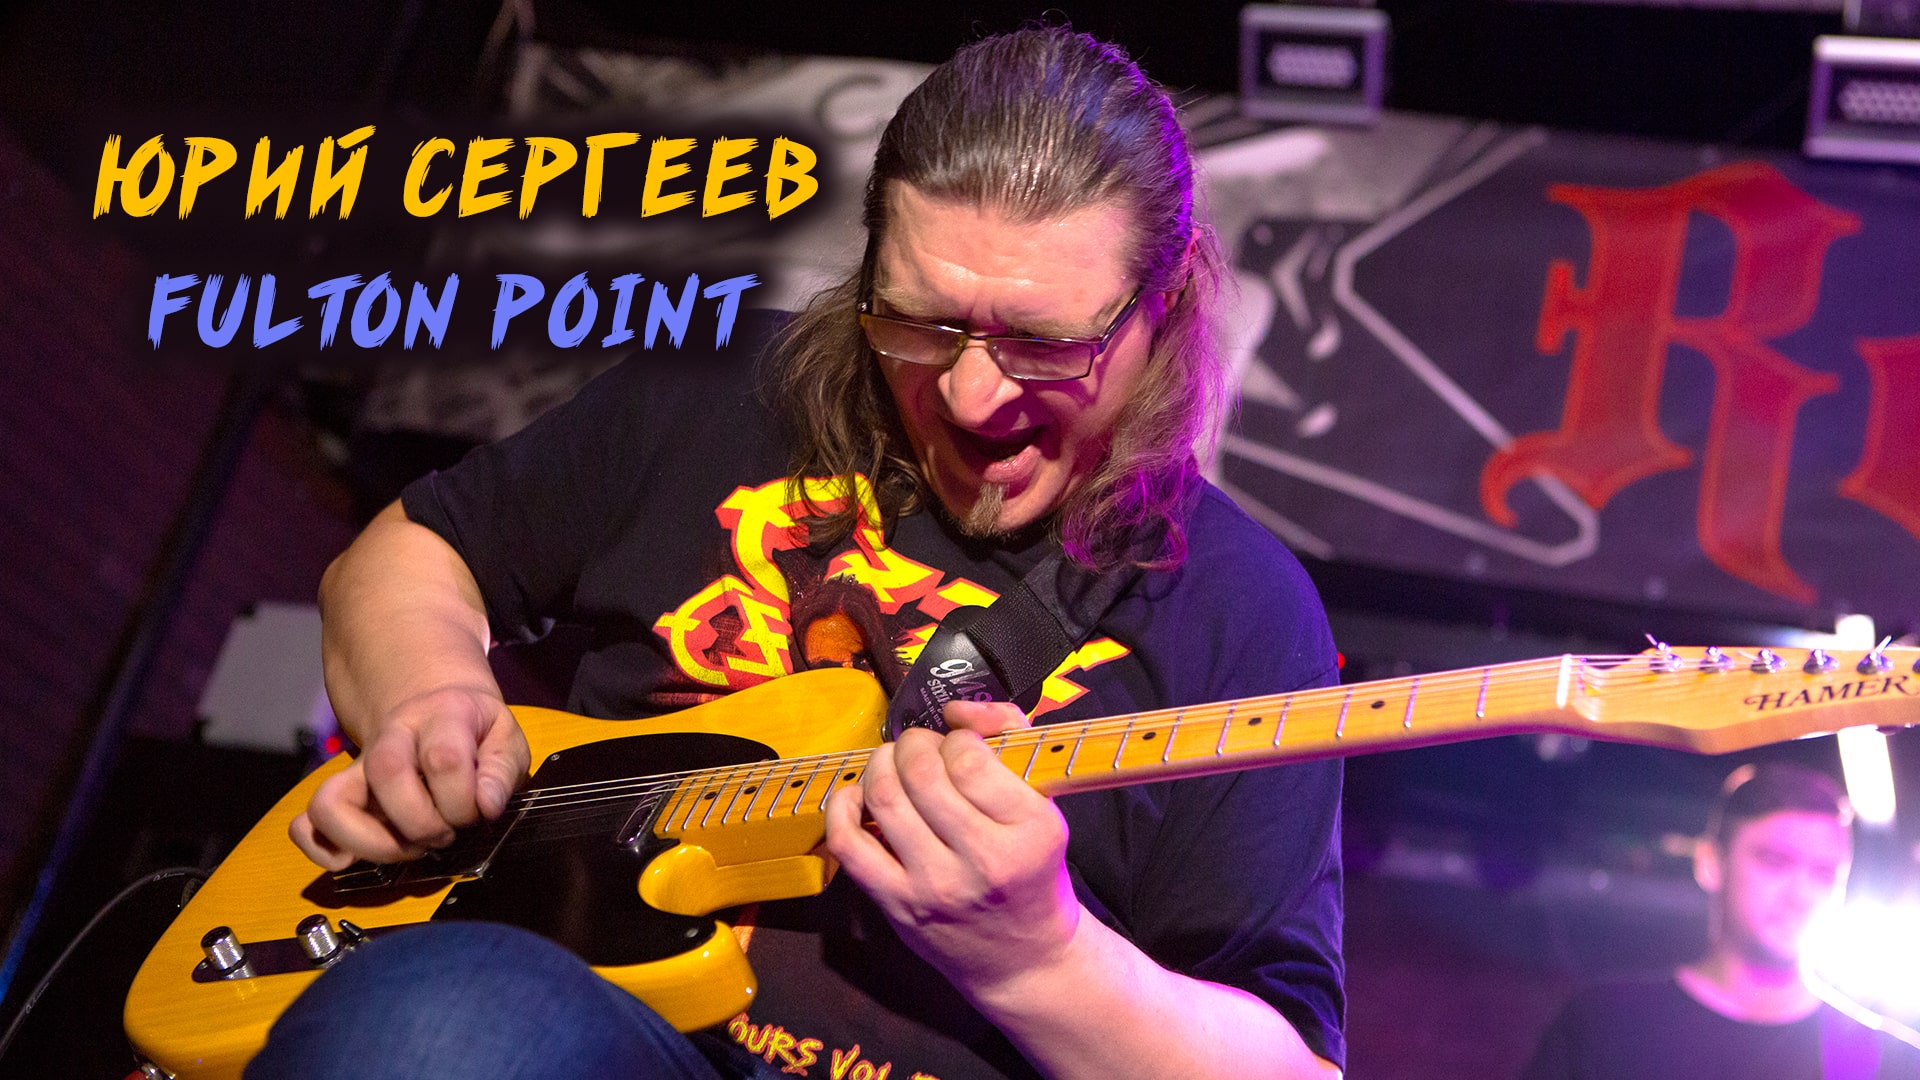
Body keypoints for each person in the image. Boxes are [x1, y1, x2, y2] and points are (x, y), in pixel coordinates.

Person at [249, 26, 1346, 1080]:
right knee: (432, 1021)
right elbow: (417, 552)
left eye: (1042, 343)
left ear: (1164, 304)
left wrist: (1041, 959)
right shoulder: (729, 390)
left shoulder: (1241, 608)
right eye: (920, 322)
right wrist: (426, 709)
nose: (971, 395)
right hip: (565, 1018)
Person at [1520, 761, 1920, 1080]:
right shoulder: (1605, 1023)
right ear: (1711, 863)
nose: (1800, 895)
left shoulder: (1894, 1063)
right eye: (1775, 861)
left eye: (1823, 874)